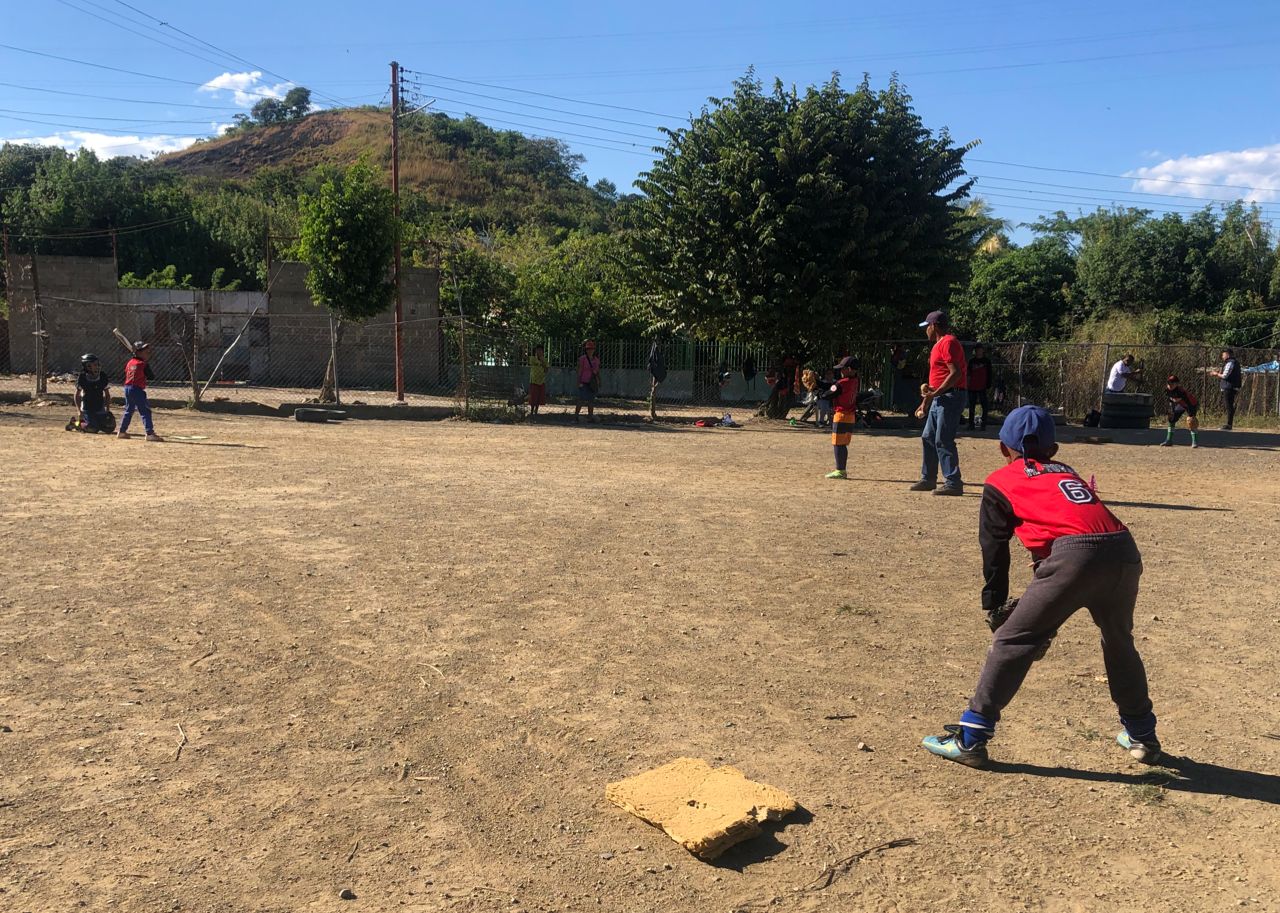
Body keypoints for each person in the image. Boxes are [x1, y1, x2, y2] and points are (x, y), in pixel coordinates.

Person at [920, 405, 1159, 768]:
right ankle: (1142, 735)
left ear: (1003, 448)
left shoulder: (1001, 479)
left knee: (1012, 640)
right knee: (1119, 641)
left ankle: (971, 738)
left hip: (1074, 558)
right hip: (1123, 549)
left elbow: (994, 547)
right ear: (1054, 449)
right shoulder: (1066, 471)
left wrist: (995, 603)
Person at [910, 311, 967, 495]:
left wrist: (937, 393)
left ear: (934, 326)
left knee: (943, 438)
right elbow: (936, 379)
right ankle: (928, 478)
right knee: (928, 437)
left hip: (950, 397)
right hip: (940, 397)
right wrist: (925, 402)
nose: (926, 330)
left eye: (927, 326)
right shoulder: (937, 346)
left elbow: (955, 372)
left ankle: (953, 482)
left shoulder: (948, 342)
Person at [117, 342, 162, 442]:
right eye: (144, 351)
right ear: (138, 352)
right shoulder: (142, 364)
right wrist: (146, 365)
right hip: (137, 389)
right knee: (145, 411)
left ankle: (121, 431)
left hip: (127, 388)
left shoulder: (130, 362)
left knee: (129, 410)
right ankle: (150, 433)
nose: (147, 353)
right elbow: (151, 376)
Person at [825, 357, 860, 479]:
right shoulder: (855, 381)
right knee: (843, 444)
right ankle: (841, 469)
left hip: (841, 415)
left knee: (837, 444)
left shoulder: (842, 383)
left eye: (842, 369)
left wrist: (816, 390)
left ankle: (840, 470)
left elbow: (828, 394)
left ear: (849, 369)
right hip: (851, 416)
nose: (841, 371)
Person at [73, 353, 115, 433]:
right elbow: (77, 395)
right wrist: (79, 411)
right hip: (87, 408)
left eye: (98, 364)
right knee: (92, 428)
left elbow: (107, 394)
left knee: (109, 427)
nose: (97, 367)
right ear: (87, 366)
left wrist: (107, 409)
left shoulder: (102, 376)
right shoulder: (82, 378)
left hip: (99, 407)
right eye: (94, 365)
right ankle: (75, 423)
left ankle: (95, 421)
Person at [1161, 375, 1199, 448]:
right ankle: (1169, 440)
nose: (1170, 385)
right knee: (1171, 419)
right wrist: (1171, 410)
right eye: (1168, 383)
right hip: (1181, 404)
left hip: (1191, 404)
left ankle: (1195, 442)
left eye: (1172, 383)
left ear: (1177, 384)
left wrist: (1191, 415)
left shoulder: (1180, 391)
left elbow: (1186, 402)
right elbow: (1171, 400)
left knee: (1191, 422)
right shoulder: (1167, 390)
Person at [1209, 348, 1242, 430]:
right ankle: (1229, 423)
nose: (1222, 356)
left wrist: (1215, 374)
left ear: (1227, 354)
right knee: (1229, 405)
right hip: (1231, 386)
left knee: (1229, 405)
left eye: (1223, 355)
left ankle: (1229, 424)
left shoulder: (1230, 363)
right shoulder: (1232, 363)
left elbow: (1225, 376)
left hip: (1229, 387)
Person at [965, 344, 992, 430]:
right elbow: (968, 374)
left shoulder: (986, 361)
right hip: (972, 386)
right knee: (972, 406)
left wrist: (988, 384)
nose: (978, 351)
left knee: (984, 406)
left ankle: (983, 424)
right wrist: (967, 384)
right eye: (977, 350)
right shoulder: (972, 361)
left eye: (980, 349)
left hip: (982, 386)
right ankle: (971, 424)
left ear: (983, 351)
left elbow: (989, 374)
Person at [574, 339, 601, 423]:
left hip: (592, 382)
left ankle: (590, 416)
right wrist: (578, 382)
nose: (590, 350)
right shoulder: (582, 359)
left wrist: (599, 381)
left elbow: (597, 371)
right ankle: (576, 415)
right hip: (584, 381)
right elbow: (579, 371)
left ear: (594, 350)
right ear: (586, 350)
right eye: (588, 349)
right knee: (581, 399)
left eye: (591, 349)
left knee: (591, 400)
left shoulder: (596, 360)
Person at [527, 344, 548, 418]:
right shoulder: (532, 359)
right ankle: (532, 412)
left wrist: (542, 362)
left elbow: (546, 370)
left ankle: (536, 411)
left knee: (539, 398)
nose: (539, 352)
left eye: (540, 350)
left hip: (541, 381)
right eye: (538, 350)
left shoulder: (545, 360)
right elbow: (525, 357)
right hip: (534, 381)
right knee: (533, 397)